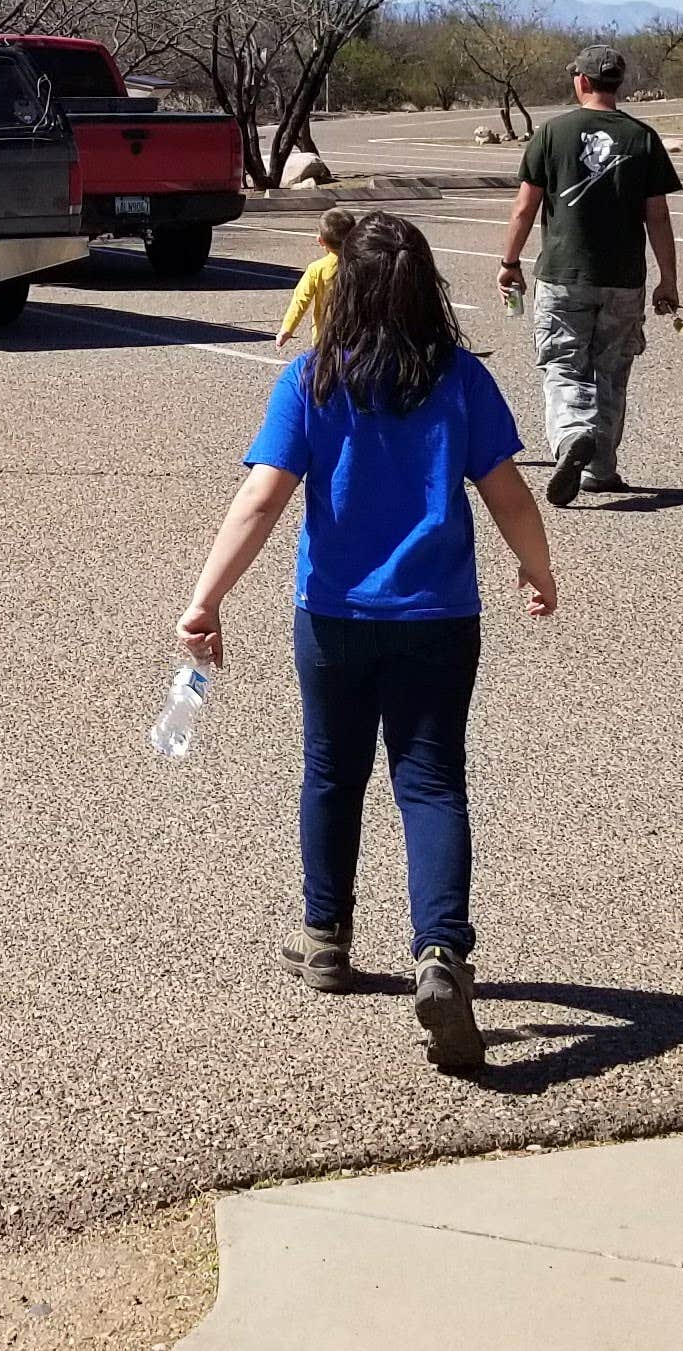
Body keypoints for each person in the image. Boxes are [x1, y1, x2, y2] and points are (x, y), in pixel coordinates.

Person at [178, 212, 558, 1074]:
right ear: (425, 289)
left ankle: (325, 939)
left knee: (331, 771)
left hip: (335, 614)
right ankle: (442, 954)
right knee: (429, 782)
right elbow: (506, 494)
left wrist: (205, 600)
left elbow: (262, 500)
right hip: (437, 616)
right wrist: (536, 570)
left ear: (338, 291)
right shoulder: (458, 379)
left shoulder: (312, 382)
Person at [494, 43, 682, 504]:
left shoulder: (553, 133)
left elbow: (525, 207)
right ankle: (600, 466)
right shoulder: (643, 138)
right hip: (624, 278)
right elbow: (657, 216)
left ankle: (573, 433)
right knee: (612, 371)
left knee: (563, 363)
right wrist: (668, 279)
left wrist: (509, 262)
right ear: (618, 84)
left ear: (581, 80)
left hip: (563, 274)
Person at [270, 207, 359, 350]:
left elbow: (300, 299)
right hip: (358, 334)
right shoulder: (363, 265)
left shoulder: (317, 269)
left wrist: (287, 329)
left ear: (321, 241)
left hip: (325, 336)